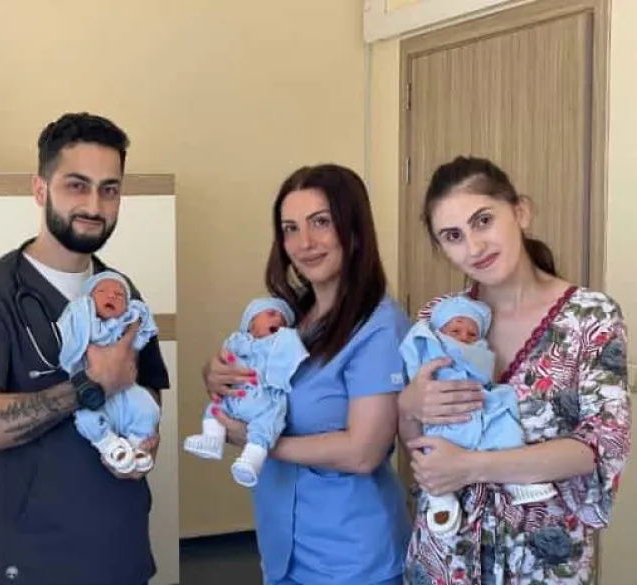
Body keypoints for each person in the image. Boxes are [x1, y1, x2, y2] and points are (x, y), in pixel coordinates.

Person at [0, 112, 169, 585]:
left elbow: (148, 393)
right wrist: (90, 385)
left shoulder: (122, 293)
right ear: (40, 190)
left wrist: (146, 440)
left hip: (118, 553)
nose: (94, 205)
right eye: (77, 185)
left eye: (109, 189)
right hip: (29, 560)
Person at [398, 156, 631, 585]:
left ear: (520, 212)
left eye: (483, 221)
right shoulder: (438, 319)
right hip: (444, 557)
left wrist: (473, 465)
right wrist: (408, 405)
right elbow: (419, 443)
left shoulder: (590, 316)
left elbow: (598, 449)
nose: (474, 247)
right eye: (453, 236)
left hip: (540, 564)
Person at [203, 164, 412, 585]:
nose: (305, 243)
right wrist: (214, 375)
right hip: (284, 545)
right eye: (290, 229)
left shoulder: (379, 327)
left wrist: (259, 442)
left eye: (321, 222)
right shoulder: (290, 316)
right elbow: (265, 386)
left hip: (351, 557)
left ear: (354, 230)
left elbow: (363, 451)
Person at [399, 295, 556, 538]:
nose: (463, 337)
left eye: (472, 334)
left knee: (504, 422)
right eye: (455, 331)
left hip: (479, 406)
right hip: (446, 416)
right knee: (434, 451)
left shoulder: (480, 352)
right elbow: (413, 354)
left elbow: (483, 375)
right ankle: (440, 497)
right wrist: (407, 403)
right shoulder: (431, 344)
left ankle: (516, 480)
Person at [183, 297, 308, 488]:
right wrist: (216, 371)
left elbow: (291, 357)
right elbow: (223, 360)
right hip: (237, 393)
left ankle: (251, 460)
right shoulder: (237, 341)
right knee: (215, 408)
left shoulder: (283, 342)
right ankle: (212, 439)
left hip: (264, 397)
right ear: (250, 323)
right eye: (271, 314)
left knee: (266, 424)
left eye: (283, 319)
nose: (278, 320)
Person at [58, 270, 161, 475]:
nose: (111, 295)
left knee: (149, 408)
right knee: (86, 417)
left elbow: (142, 342)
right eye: (102, 291)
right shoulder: (84, 322)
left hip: (127, 391)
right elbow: (72, 339)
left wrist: (136, 325)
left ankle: (138, 444)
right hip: (93, 393)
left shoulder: (127, 324)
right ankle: (109, 444)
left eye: (119, 295)